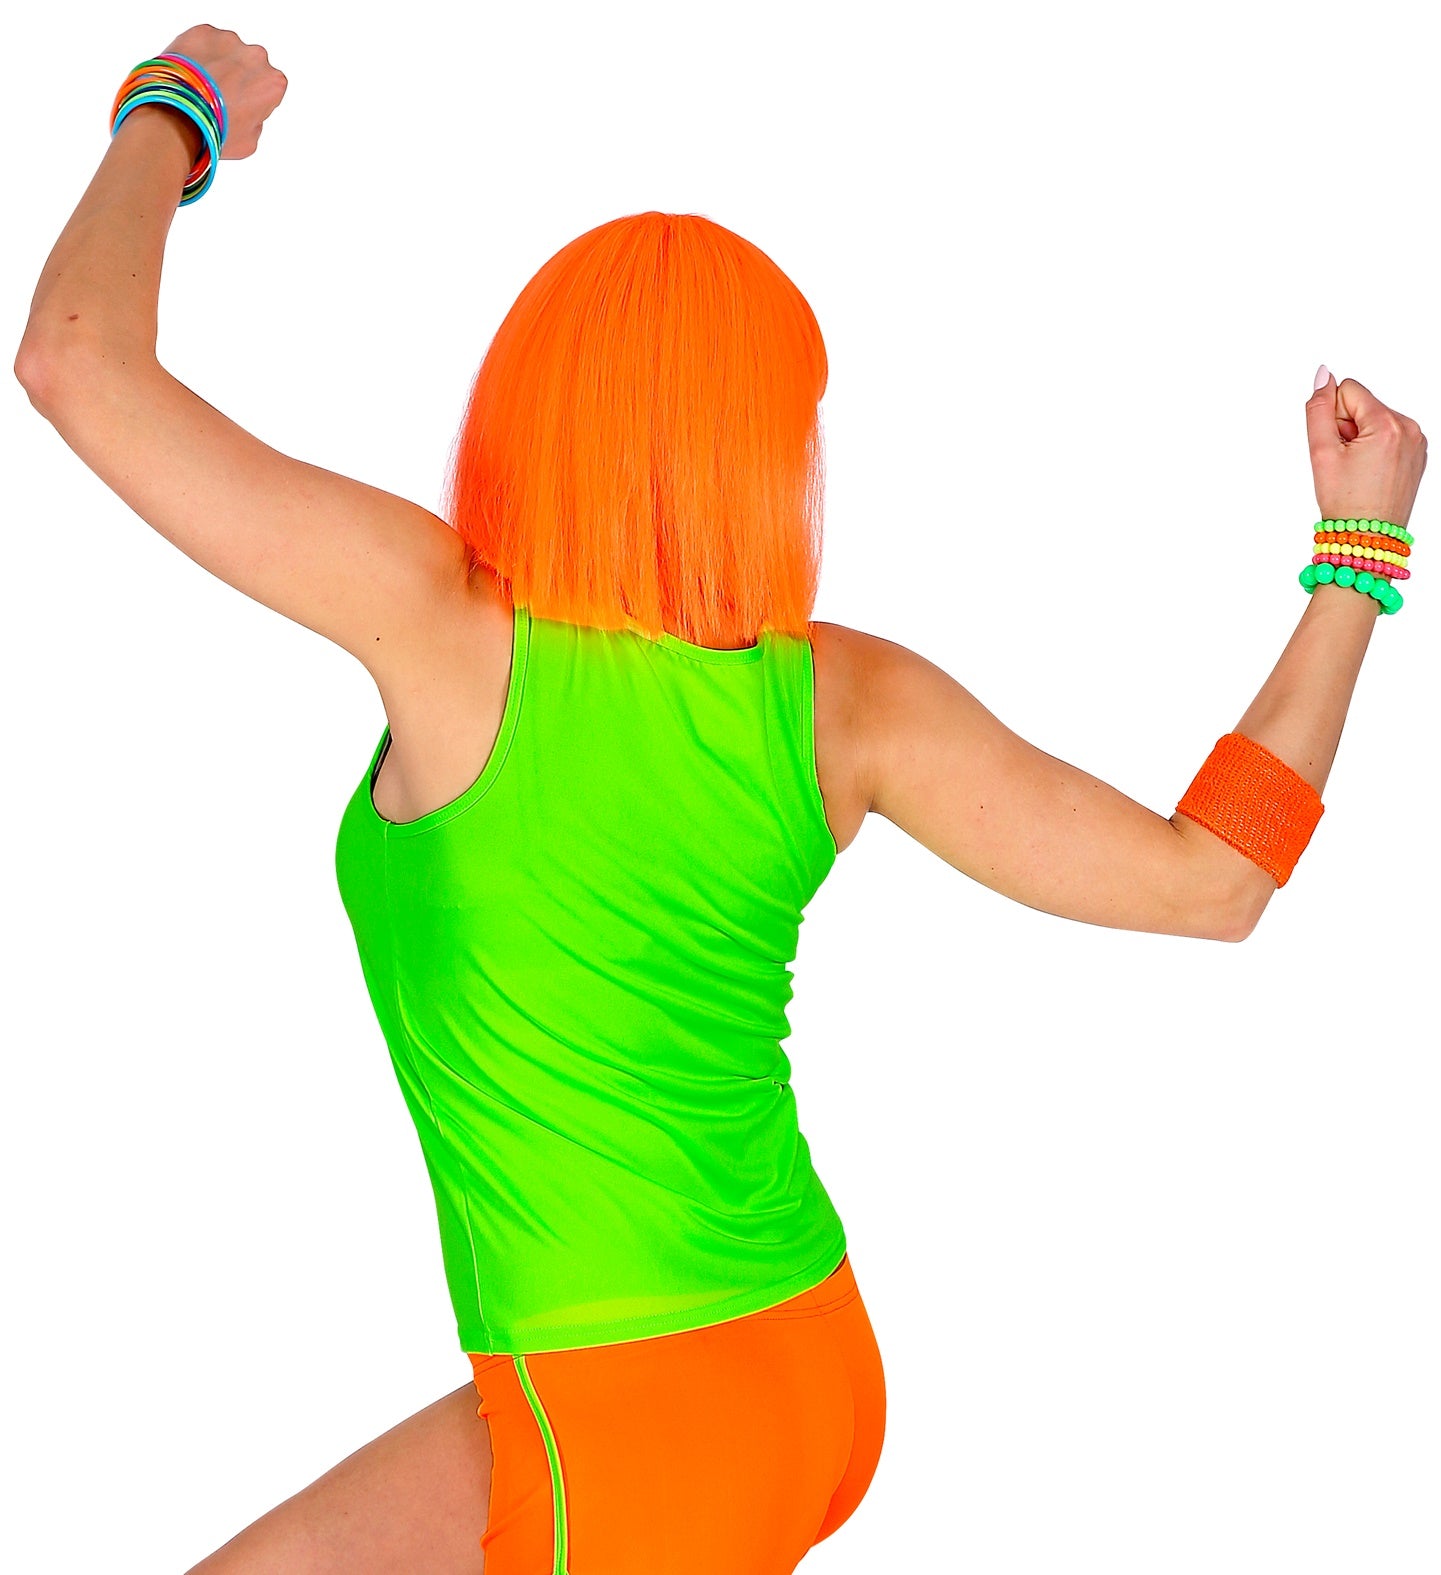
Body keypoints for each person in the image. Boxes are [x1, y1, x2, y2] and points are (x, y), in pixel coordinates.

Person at [15, 24, 1426, 1575]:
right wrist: (1355, 552)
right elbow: (1209, 879)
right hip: (781, 1355)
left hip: (629, 1422)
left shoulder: (436, 622)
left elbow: (77, 362)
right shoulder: (841, 699)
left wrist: (179, 107)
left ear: (531, 401)